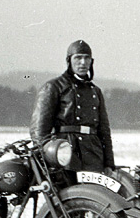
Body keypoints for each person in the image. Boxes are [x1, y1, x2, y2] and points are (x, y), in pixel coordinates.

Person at [29, 40, 115, 179]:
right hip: (65, 156)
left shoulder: (96, 91)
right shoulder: (54, 87)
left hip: (93, 156)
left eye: (87, 58)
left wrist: (109, 163)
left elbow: (104, 131)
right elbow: (39, 131)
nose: (83, 62)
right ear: (69, 60)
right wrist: (49, 159)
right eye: (78, 58)